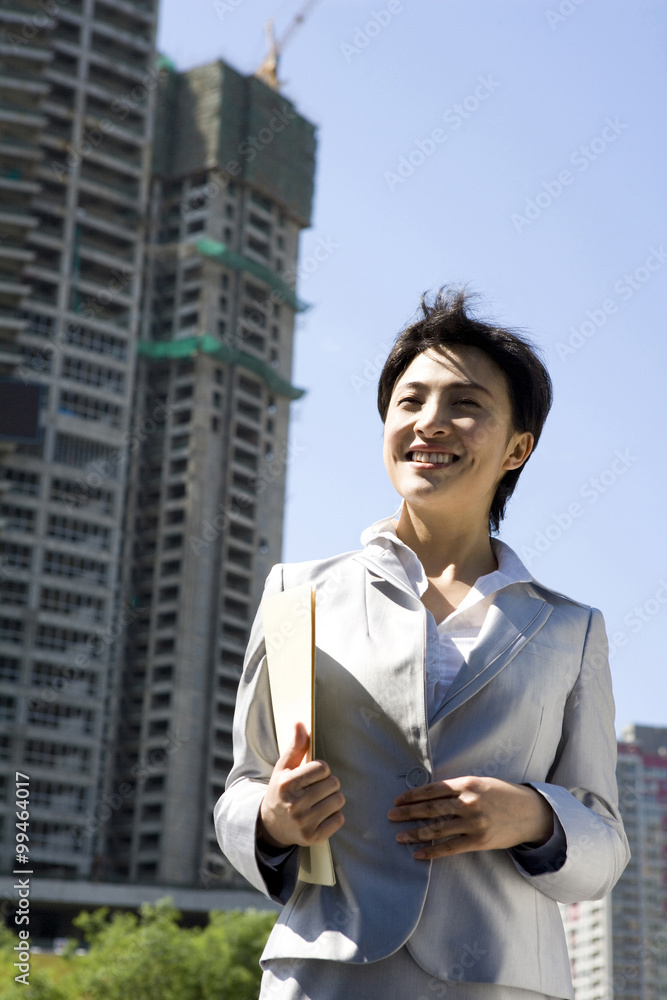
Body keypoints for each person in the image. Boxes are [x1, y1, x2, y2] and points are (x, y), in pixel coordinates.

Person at [215, 288, 630, 1000]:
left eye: (464, 403)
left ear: (516, 448)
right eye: (409, 402)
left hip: (502, 980)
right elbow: (243, 789)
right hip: (325, 973)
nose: (429, 422)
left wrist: (531, 815)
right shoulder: (296, 593)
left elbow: (604, 843)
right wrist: (273, 817)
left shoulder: (570, 628)